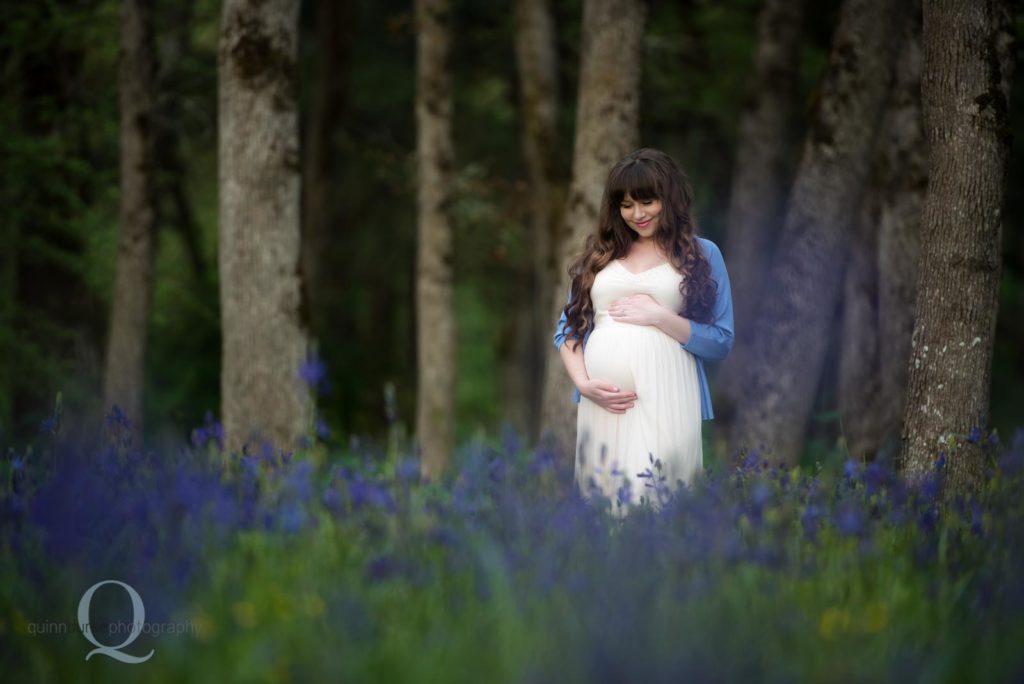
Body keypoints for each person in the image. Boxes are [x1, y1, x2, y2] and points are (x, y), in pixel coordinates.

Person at [552, 148, 733, 512]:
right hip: (603, 403)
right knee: (603, 504)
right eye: (627, 205)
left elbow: (721, 340)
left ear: (669, 197)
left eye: (647, 201)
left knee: (659, 500)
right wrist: (584, 385)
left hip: (670, 396)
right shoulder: (600, 257)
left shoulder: (702, 255)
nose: (637, 214)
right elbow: (567, 332)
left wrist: (660, 316)